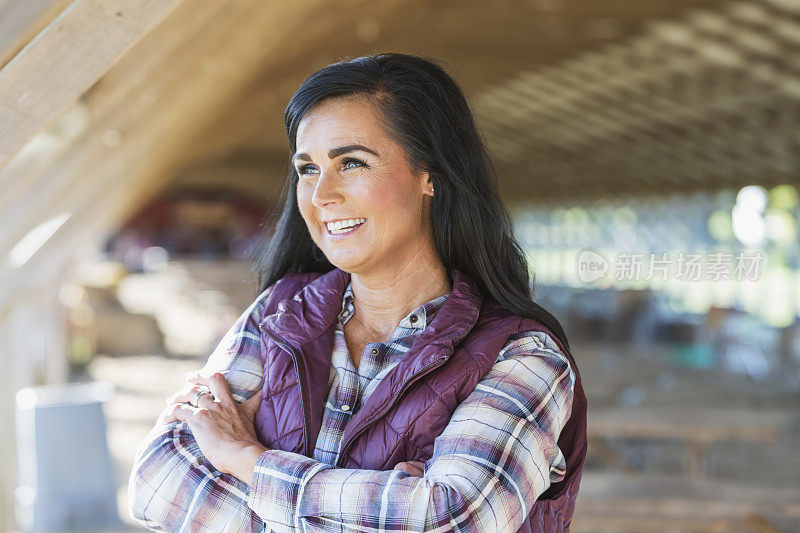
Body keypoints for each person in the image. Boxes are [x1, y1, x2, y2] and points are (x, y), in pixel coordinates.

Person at [128, 52, 587, 532]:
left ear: (430, 175)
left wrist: (244, 459)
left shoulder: (524, 358)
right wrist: (387, 505)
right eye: (307, 169)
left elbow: (451, 523)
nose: (322, 193)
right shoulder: (281, 312)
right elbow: (159, 482)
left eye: (351, 162)